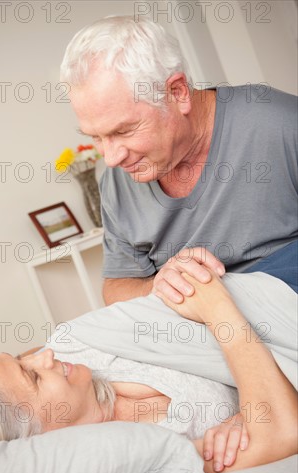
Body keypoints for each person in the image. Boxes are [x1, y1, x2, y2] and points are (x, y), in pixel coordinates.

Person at [0, 271, 297, 473]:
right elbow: (280, 434)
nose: (43, 356)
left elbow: (191, 291)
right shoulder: (137, 458)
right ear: (37, 439)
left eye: (20, 357)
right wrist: (220, 311)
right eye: (33, 378)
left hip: (278, 286)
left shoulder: (76, 343)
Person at [60, 16, 298, 306]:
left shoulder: (279, 124)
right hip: (188, 326)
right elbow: (116, 288)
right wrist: (157, 287)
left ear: (178, 92)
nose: (110, 159)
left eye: (123, 131)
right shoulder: (116, 183)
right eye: (96, 137)